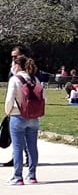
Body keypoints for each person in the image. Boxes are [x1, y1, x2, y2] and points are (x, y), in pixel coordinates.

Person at [5, 54, 41, 185]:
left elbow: (9, 99)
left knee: (18, 147)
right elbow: (44, 98)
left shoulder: (15, 79)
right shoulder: (35, 79)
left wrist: (7, 112)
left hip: (17, 115)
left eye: (13, 64)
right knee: (32, 147)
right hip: (33, 116)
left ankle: (17, 177)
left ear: (18, 65)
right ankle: (32, 176)